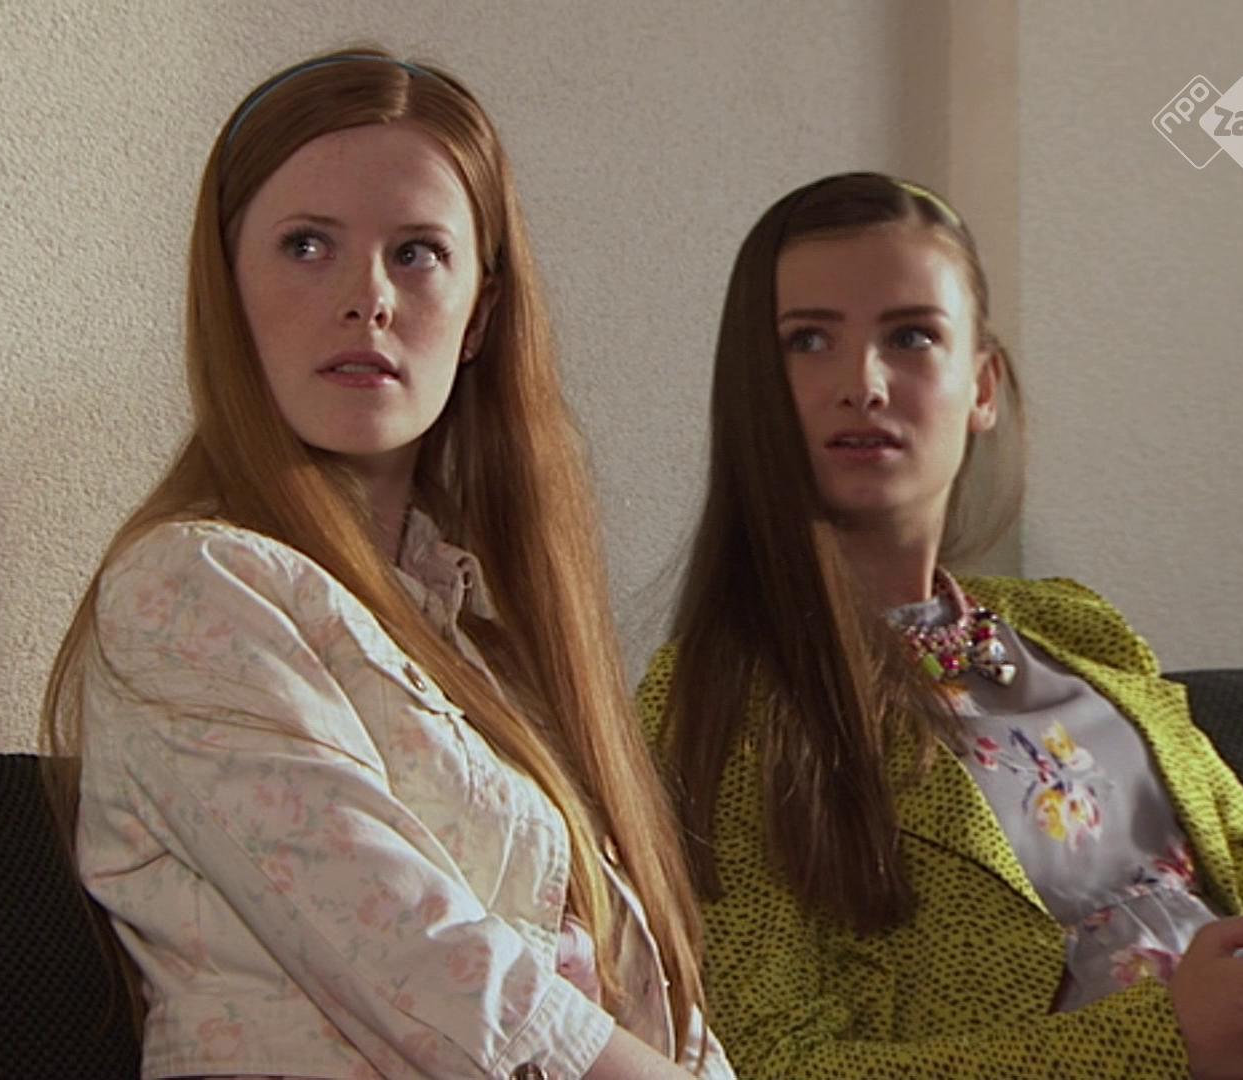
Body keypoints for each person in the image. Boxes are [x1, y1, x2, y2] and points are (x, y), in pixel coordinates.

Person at [636, 171, 1243, 1080]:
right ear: (754, 387)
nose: (863, 383)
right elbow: (768, 1063)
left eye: (911, 336)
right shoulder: (716, 699)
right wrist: (1169, 1044)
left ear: (982, 386)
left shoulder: (1078, 627)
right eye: (809, 340)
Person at [40, 48, 731, 1080]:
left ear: (479, 317)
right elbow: (421, 962)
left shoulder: (489, 644)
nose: (367, 296)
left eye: (416, 253)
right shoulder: (188, 586)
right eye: (307, 245)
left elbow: (647, 1002)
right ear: (226, 290)